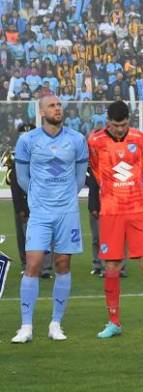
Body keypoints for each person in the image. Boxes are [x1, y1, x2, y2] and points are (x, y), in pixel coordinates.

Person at [87, 100, 143, 339]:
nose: (120, 129)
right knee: (112, 266)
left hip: (138, 211)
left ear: (129, 121)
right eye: (115, 125)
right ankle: (113, 322)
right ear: (107, 122)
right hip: (111, 212)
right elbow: (96, 173)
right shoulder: (95, 141)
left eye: (124, 125)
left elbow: (141, 169)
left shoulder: (141, 139)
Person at [11, 95, 87, 343]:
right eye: (52, 106)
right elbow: (22, 178)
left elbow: (79, 178)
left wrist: (65, 199)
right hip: (40, 213)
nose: (57, 109)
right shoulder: (27, 140)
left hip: (66, 213)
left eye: (59, 105)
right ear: (42, 112)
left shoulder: (76, 139)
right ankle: (26, 326)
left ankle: (56, 323)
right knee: (32, 264)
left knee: (63, 264)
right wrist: (39, 198)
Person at [10, 123, 54, 278]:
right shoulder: (16, 160)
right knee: (24, 238)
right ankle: (27, 265)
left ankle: (46, 268)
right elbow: (15, 186)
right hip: (23, 204)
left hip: (42, 205)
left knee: (45, 236)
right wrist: (19, 208)